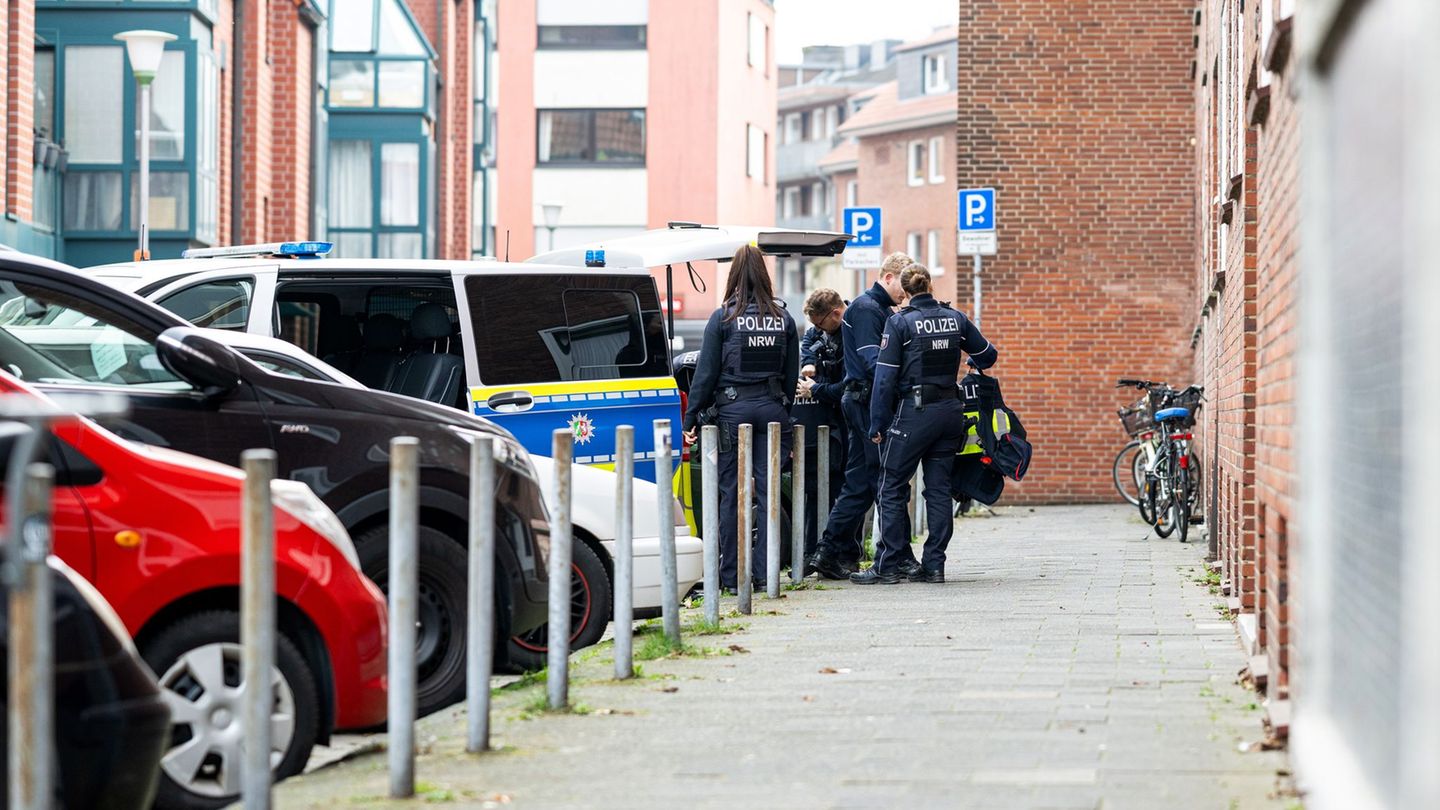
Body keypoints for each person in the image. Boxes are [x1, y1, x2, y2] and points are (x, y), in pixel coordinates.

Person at [853, 264, 997, 584]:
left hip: (914, 413)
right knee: (939, 490)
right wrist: (971, 362)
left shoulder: (899, 322)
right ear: (930, 285)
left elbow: (885, 378)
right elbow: (988, 354)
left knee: (891, 485)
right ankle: (934, 564)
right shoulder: (955, 318)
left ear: (904, 292)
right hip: (950, 412)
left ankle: (888, 564)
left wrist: (877, 423)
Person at [682, 245, 799, 590]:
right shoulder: (784, 319)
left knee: (731, 493)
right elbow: (791, 377)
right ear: (764, 275)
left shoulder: (724, 318)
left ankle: (732, 578)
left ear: (733, 276)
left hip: (732, 412)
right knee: (768, 494)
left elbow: (704, 375)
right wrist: (782, 410)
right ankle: (765, 575)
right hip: (772, 411)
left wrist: (691, 420)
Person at [804, 252, 913, 580]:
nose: (905, 293)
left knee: (862, 484)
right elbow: (873, 363)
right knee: (884, 479)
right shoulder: (868, 310)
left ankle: (828, 549)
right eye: (901, 286)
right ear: (889, 277)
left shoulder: (875, 308)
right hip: (867, 404)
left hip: (863, 402)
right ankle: (896, 556)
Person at [793, 288, 853, 556]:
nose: (819, 329)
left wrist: (815, 390)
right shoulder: (820, 330)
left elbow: (848, 387)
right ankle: (813, 551)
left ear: (836, 313)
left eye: (821, 324)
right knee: (818, 490)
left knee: (847, 489)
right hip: (827, 423)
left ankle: (840, 552)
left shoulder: (852, 331)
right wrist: (808, 362)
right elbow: (808, 340)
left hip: (849, 422)